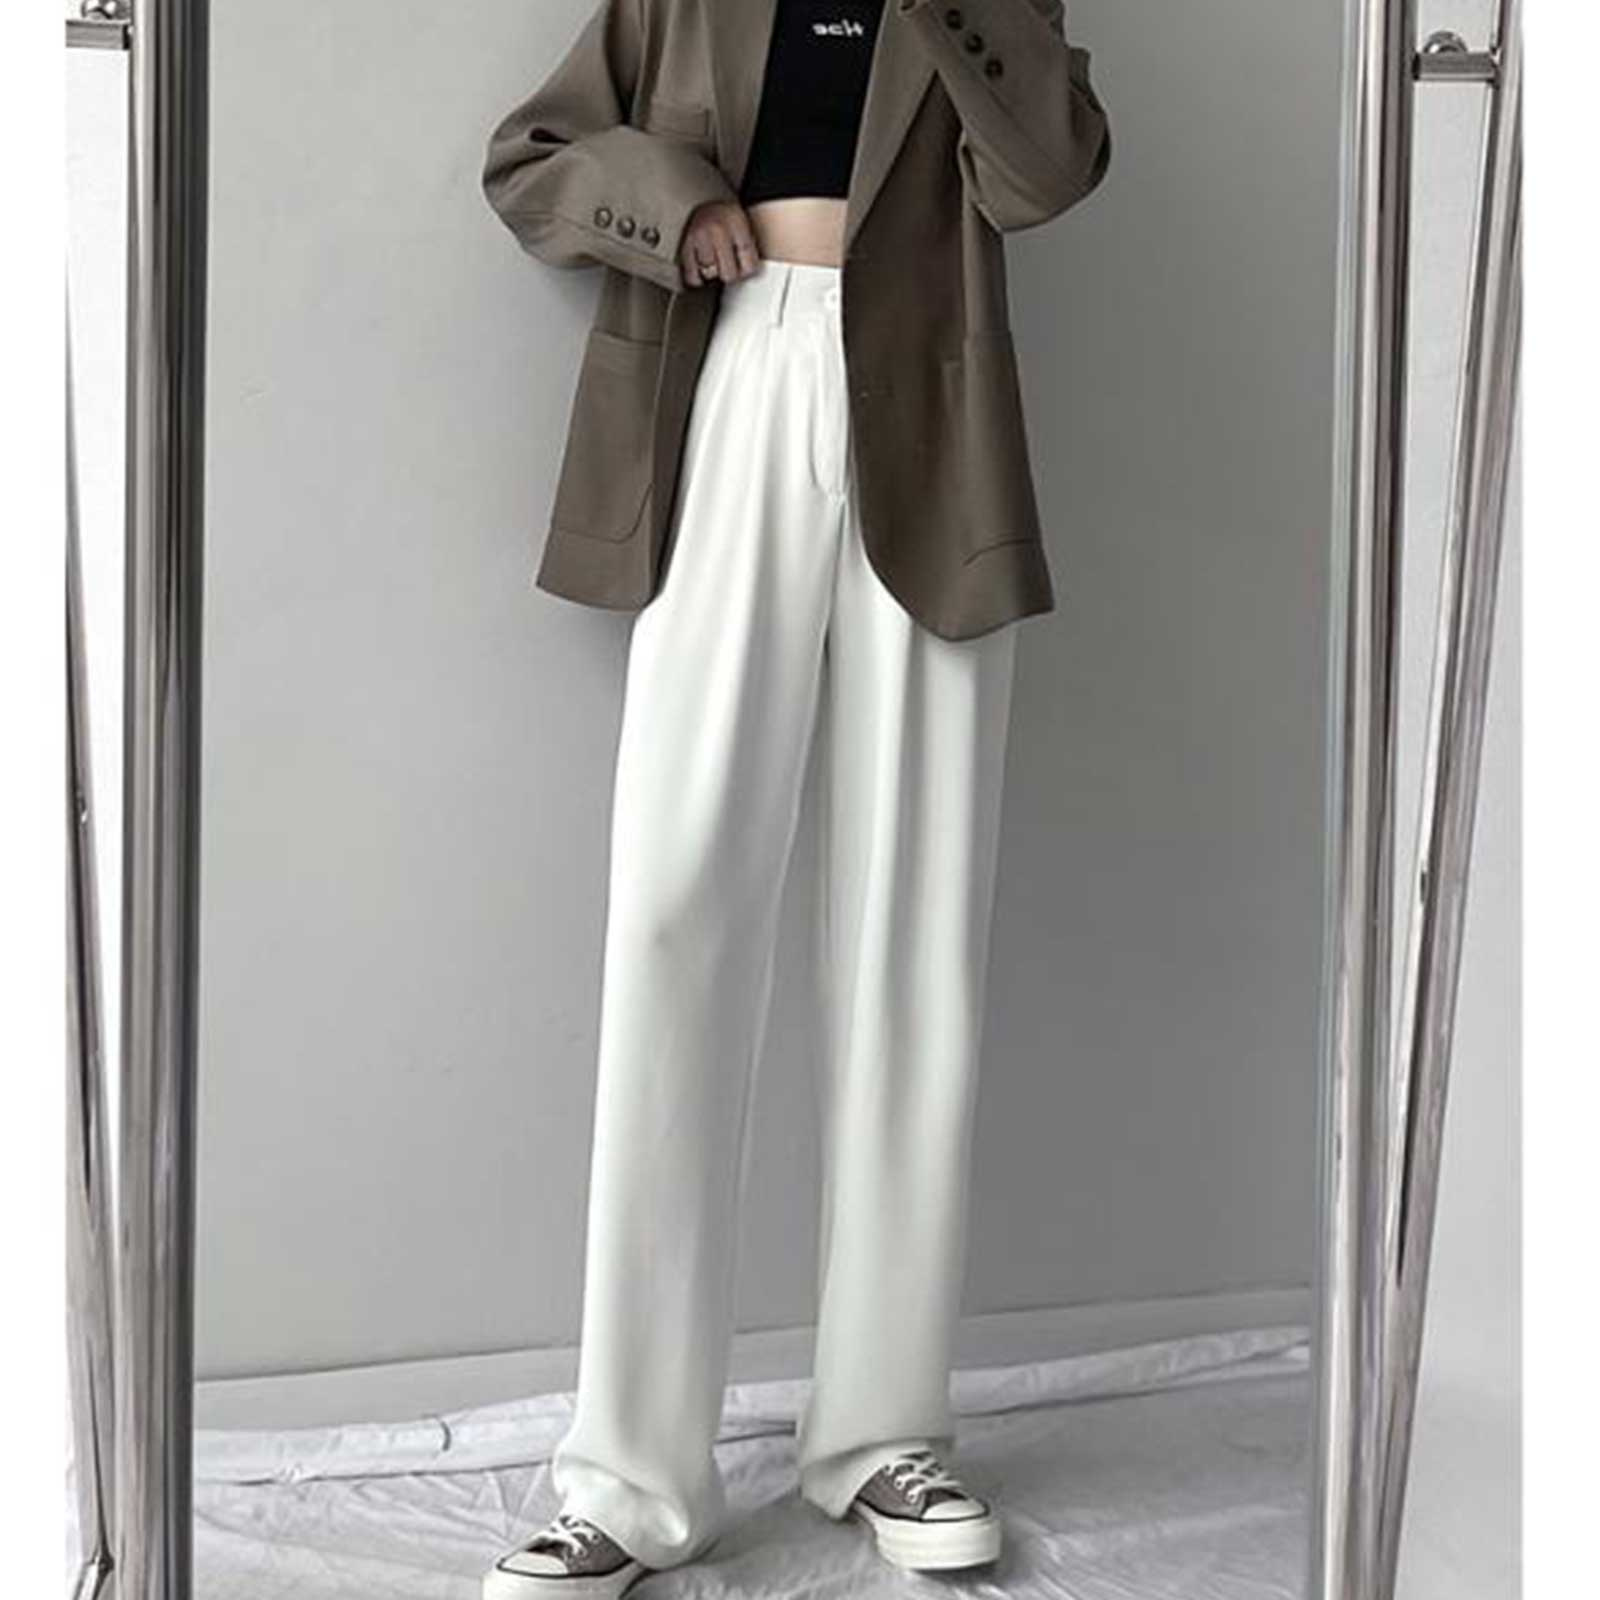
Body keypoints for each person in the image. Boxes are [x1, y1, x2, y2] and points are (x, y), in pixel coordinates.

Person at [478, 1, 1109, 1594]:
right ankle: (628, 1475)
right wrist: (670, 197)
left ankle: (886, 1432)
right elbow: (532, 159)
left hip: (936, 423)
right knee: (674, 904)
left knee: (915, 933)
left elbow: (1048, 172)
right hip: (730, 383)